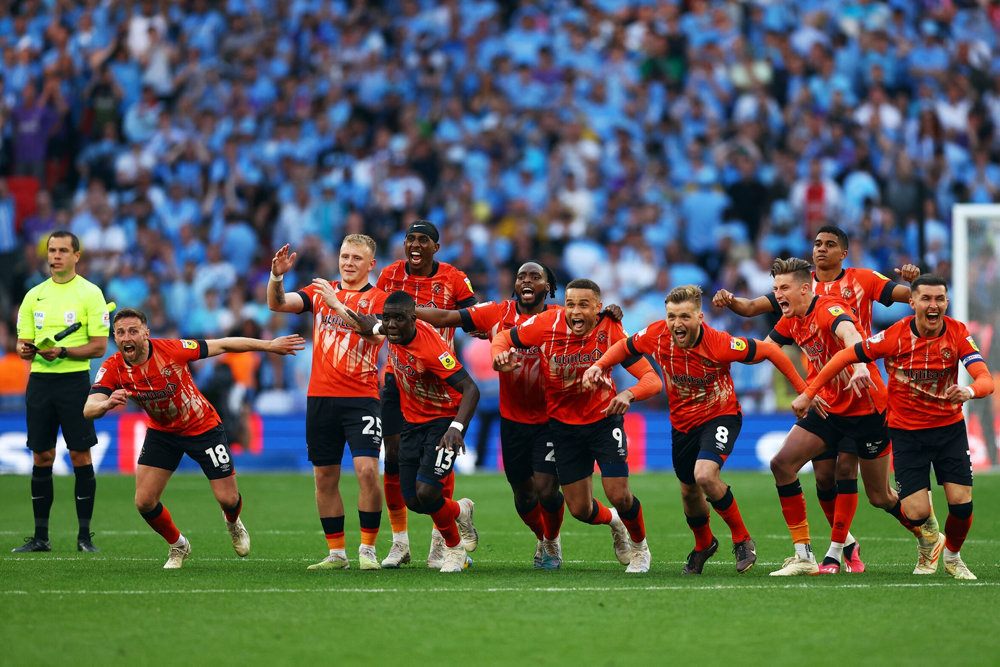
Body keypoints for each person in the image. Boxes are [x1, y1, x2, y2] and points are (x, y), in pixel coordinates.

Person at [713, 224, 922, 572]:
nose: (820, 249)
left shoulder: (855, 284)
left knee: (872, 490)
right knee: (810, 473)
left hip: (861, 393)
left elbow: (866, 321)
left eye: (829, 244)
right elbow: (765, 342)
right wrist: (720, 346)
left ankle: (913, 536)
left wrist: (915, 280)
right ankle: (824, 552)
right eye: (816, 243)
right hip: (824, 397)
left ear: (844, 252)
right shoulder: (792, 300)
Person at [583, 285, 808, 575]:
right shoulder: (656, 334)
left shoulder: (719, 343)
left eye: (685, 316)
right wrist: (598, 365)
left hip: (720, 416)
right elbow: (624, 347)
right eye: (672, 316)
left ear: (700, 317)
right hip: (682, 424)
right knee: (689, 493)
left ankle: (742, 540)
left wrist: (805, 392)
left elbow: (769, 351)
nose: (677, 323)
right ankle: (704, 544)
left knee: (705, 474)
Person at [793, 274, 994, 579]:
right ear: (912, 302)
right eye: (925, 298)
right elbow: (845, 355)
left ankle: (953, 557)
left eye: (939, 299)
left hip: (949, 429)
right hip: (906, 432)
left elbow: (985, 379)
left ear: (946, 303)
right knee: (915, 512)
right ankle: (928, 543)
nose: (933, 305)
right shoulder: (894, 336)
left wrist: (970, 390)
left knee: (961, 504)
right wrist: (809, 392)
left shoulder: (958, 333)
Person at [83, 308, 305, 569]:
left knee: (228, 499)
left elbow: (222, 344)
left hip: (202, 427)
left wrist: (269, 345)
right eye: (120, 333)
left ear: (146, 334)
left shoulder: (172, 349)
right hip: (163, 432)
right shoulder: (113, 367)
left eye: (133, 331)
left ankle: (233, 523)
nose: (126, 337)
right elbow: (89, 409)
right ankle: (178, 545)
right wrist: (107, 404)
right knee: (144, 501)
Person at [763, 258, 922, 575]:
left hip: (866, 407)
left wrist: (861, 364)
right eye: (775, 288)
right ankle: (808, 556)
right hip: (829, 405)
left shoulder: (829, 308)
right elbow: (765, 349)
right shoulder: (791, 317)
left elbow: (849, 333)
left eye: (784, 288)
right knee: (783, 464)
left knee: (879, 495)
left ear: (805, 289)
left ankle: (926, 534)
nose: (777, 294)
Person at [491, 279, 662, 573]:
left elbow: (652, 379)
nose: (575, 311)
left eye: (584, 304)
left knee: (619, 494)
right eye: (571, 304)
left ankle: (640, 548)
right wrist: (499, 358)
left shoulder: (611, 330)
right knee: (579, 510)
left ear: (598, 308)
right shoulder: (546, 323)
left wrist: (628, 394)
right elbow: (503, 339)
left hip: (604, 420)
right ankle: (614, 521)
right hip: (562, 427)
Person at [414, 261, 567, 568]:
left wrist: (609, 311)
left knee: (548, 491)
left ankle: (550, 542)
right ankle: (542, 536)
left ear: (548, 288)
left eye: (535, 277)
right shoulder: (497, 312)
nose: (526, 280)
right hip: (513, 420)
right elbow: (446, 317)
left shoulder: (561, 317)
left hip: (551, 419)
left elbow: (596, 321)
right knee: (524, 497)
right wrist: (406, 310)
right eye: (521, 275)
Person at [267, 234, 388, 570]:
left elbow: (375, 332)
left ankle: (367, 550)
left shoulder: (379, 299)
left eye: (356, 258)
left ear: (370, 265)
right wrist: (277, 276)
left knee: (366, 472)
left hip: (361, 398)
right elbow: (277, 304)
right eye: (344, 256)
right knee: (324, 478)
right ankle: (337, 553)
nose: (348, 263)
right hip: (320, 397)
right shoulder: (321, 290)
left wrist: (336, 304)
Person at [346, 291, 480, 573]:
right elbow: (374, 326)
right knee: (413, 500)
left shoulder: (432, 349)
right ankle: (461, 510)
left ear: (413, 319)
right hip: (412, 422)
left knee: (428, 492)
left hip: (443, 423)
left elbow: (471, 389)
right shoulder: (392, 328)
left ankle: (454, 551)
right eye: (388, 318)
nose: (391, 325)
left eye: (399, 319)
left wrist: (457, 427)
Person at [375, 220, 477, 568]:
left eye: (423, 240)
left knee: (431, 478)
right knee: (394, 457)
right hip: (399, 380)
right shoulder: (390, 275)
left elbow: (473, 318)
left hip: (439, 376)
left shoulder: (453, 277)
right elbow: (373, 318)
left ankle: (443, 540)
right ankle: (400, 542)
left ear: (436, 246)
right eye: (410, 239)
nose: (415, 245)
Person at [13, 230, 110, 553]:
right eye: (52, 250)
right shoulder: (34, 295)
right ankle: (41, 537)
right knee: (42, 456)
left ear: (76, 256)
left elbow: (98, 346)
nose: (55, 256)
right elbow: (22, 341)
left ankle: (84, 538)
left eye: (63, 250)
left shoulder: (90, 294)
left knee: (80, 454)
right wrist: (25, 350)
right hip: (40, 383)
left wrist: (64, 353)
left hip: (75, 384)